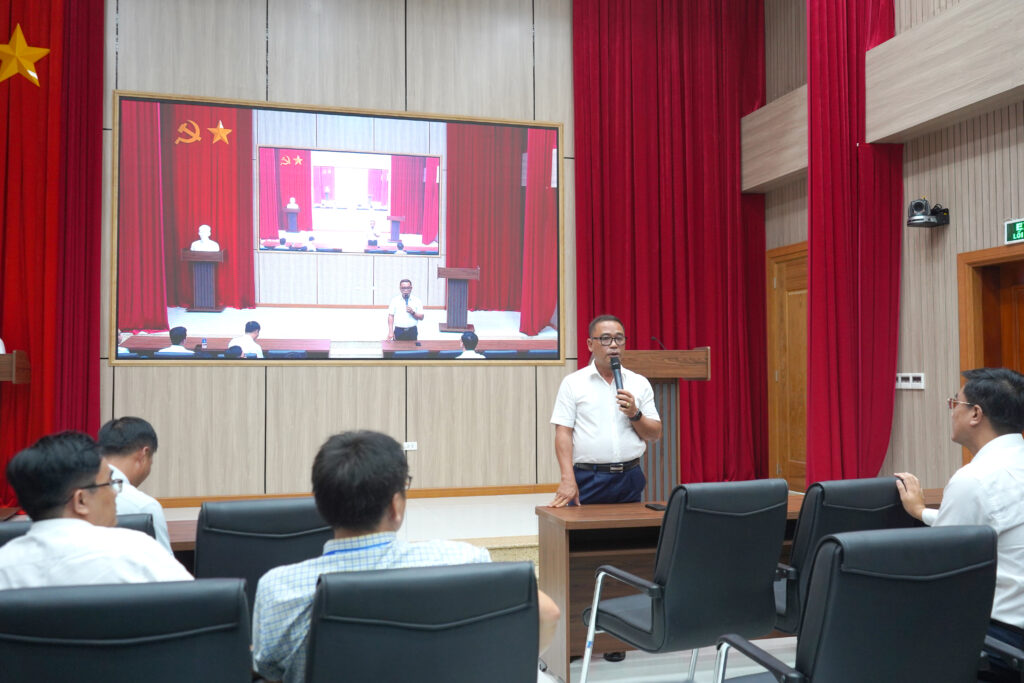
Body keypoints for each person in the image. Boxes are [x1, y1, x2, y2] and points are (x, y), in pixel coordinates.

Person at [251, 430, 559, 683]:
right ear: (395, 506)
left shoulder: (280, 589)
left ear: (320, 505)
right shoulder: (461, 560)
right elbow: (547, 614)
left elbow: (269, 671)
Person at [896, 367, 1024, 679]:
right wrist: (922, 512)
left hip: (1003, 642)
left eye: (955, 403)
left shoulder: (975, 479)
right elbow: (997, 527)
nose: (952, 411)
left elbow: (943, 568)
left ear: (975, 414)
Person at [0, 431, 192, 589]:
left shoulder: (5, 566)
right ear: (81, 500)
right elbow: (194, 610)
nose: (115, 493)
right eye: (109, 483)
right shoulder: (139, 551)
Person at [548, 315, 662, 506]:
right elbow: (563, 432)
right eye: (606, 339)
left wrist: (635, 414)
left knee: (631, 526)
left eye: (619, 338)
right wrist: (567, 478)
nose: (614, 345)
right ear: (590, 344)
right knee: (583, 526)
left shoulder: (639, 382)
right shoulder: (573, 383)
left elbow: (654, 434)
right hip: (589, 478)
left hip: (629, 477)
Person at [97, 416, 172, 553]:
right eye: (151, 460)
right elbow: (165, 563)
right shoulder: (145, 506)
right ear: (144, 454)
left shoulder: (74, 493)